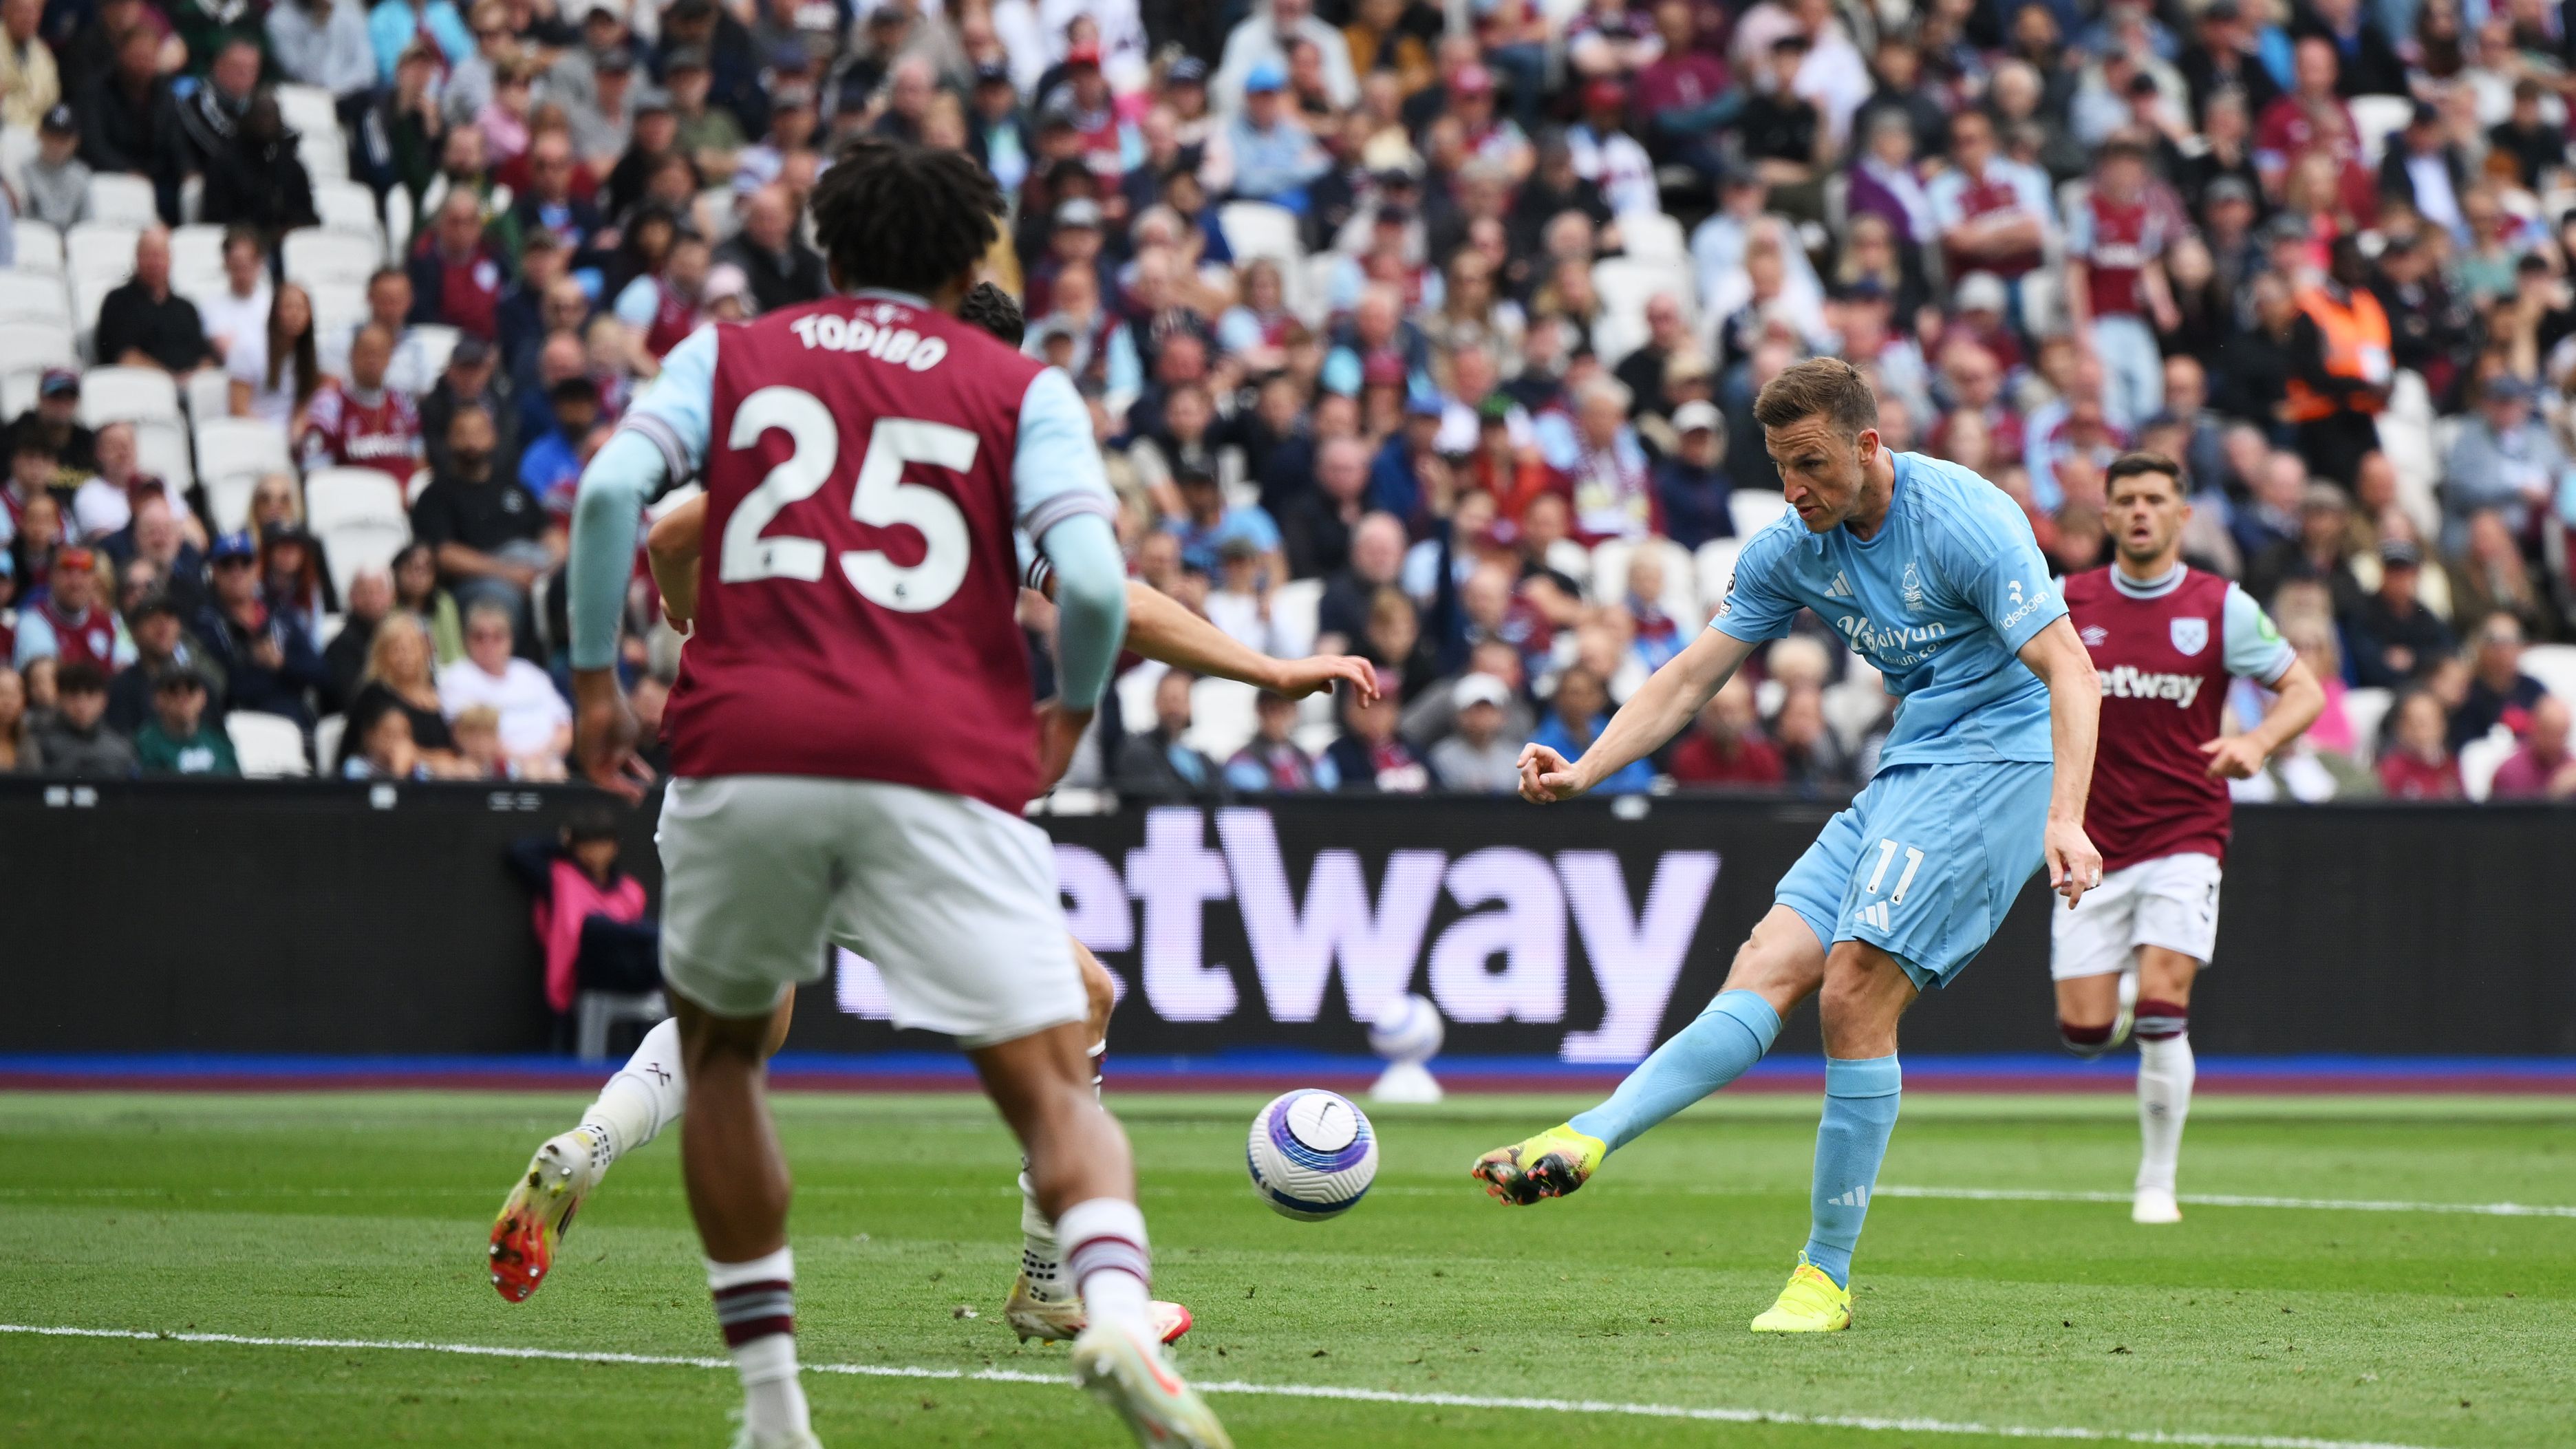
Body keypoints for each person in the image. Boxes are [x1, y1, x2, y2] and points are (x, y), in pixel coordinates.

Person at [548, 138, 1230, 1448]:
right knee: (1057, 1062)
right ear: (967, 262)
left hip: (739, 750)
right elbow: (1096, 587)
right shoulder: (1011, 388)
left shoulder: (738, 356)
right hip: (922, 755)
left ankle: (773, 1411)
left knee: (728, 1064)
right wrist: (1069, 715)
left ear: (831, 250)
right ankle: (1102, 1303)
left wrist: (594, 680)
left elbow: (618, 499)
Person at [1474, 358, 2104, 1335]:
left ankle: (1825, 1275)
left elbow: (2072, 669)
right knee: (1767, 962)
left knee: (1854, 989)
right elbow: (1690, 677)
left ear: (1868, 445)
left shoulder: (1965, 518)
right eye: (1779, 467)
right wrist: (1588, 768)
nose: (1794, 488)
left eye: (1811, 463)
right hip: (1913, 764)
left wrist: (2065, 816)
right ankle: (1589, 1134)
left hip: (2003, 765)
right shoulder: (1790, 547)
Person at [2052, 453, 2323, 1225]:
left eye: (2155, 499)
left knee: (2165, 1010)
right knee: (2084, 1032)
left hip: (2186, 831)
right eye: (2127, 500)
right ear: (2107, 516)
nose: (2140, 511)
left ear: (2181, 515)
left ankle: (2157, 1183)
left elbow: (2302, 690)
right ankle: (2119, 998)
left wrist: (2258, 742)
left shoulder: (2220, 606)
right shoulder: (2065, 601)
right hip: (2092, 840)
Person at [436, 601, 570, 775]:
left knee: (556, 772)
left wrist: (544, 755)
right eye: (480, 636)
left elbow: (564, 727)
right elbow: (467, 735)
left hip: (547, 763)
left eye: (497, 636)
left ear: (510, 639)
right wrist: (523, 762)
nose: (488, 643)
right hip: (494, 770)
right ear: (466, 639)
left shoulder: (532, 674)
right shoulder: (457, 677)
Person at [300, 325, 428, 491]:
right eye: (366, 352)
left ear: (389, 358)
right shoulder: (330, 404)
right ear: (352, 355)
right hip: (353, 497)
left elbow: (419, 462)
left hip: (403, 498)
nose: (372, 359)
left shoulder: (403, 403)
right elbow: (316, 470)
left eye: (379, 353)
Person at [93, 228, 217, 375]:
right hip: (138, 385)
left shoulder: (186, 308)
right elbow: (125, 357)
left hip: (191, 385)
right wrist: (171, 380)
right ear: (137, 258)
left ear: (170, 259)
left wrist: (193, 379)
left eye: (160, 256)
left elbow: (206, 358)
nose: (155, 263)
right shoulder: (118, 302)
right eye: (148, 255)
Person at [32, 660, 134, 777]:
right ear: (59, 698)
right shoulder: (39, 743)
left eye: (90, 695)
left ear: (104, 700)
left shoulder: (121, 749)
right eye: (73, 695)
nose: (81, 706)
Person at [133, 665, 238, 775]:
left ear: (203, 697)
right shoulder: (143, 745)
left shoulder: (220, 742)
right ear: (158, 699)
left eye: (191, 687)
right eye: (173, 689)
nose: (183, 697)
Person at [1426, 671, 1521, 791]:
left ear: (1502, 716)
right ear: (1460, 716)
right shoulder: (1441, 758)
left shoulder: (1517, 759)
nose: (1483, 717)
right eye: (1475, 710)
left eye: (1489, 709)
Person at [2487, 695, 2576, 801]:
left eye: (2561, 735)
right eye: (2550, 733)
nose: (2555, 741)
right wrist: (2554, 792)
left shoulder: (2572, 768)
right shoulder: (2509, 773)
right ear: (2534, 727)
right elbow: (2511, 811)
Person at [2376, 687, 2461, 799]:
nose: (2428, 730)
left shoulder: (2451, 766)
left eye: (2434, 720)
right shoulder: (2390, 771)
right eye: (2419, 723)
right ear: (2401, 726)